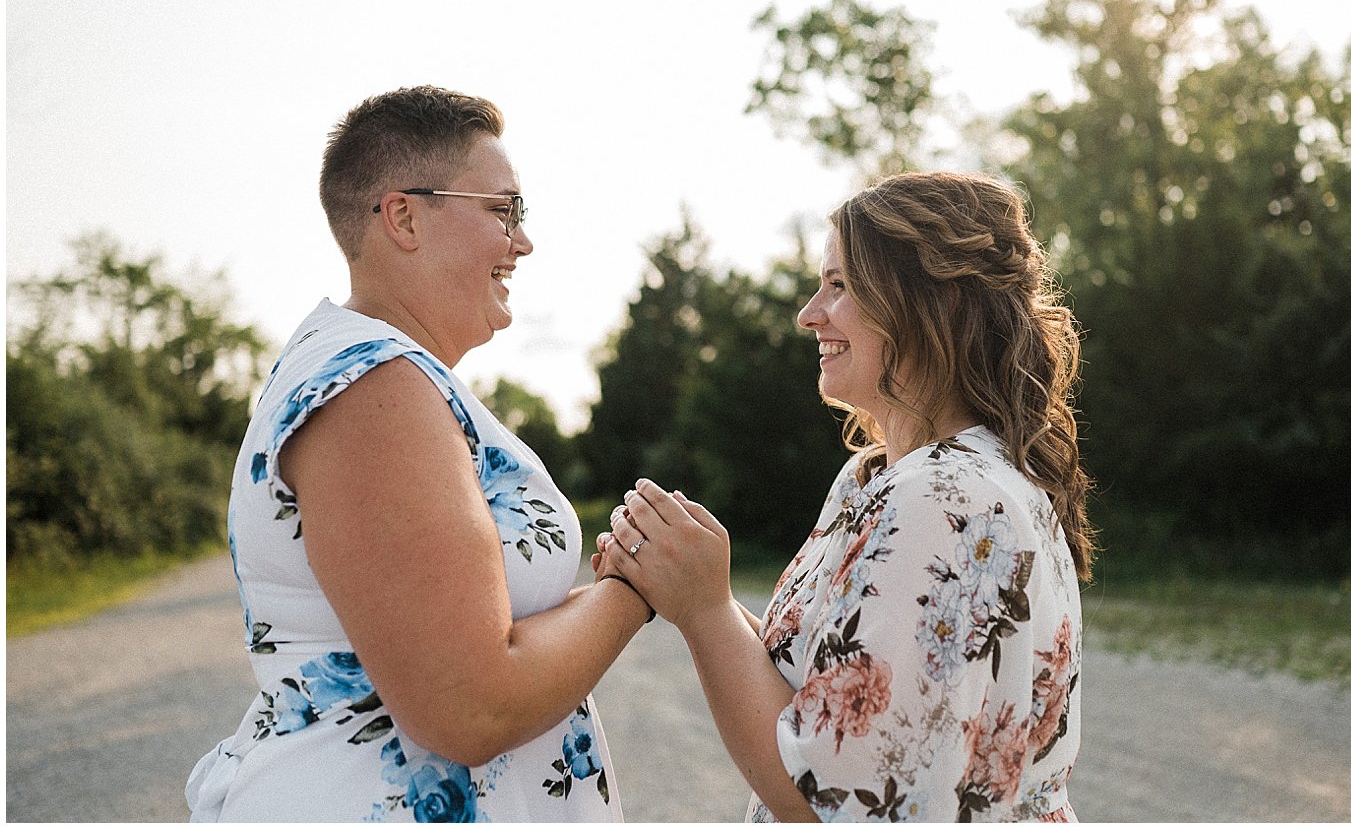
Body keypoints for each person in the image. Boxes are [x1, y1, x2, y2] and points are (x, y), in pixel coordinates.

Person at [186, 86, 652, 821]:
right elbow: (466, 706)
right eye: (504, 211)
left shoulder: (381, 373)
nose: (522, 241)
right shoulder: (372, 385)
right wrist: (636, 591)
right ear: (404, 216)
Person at [598, 170, 1095, 822]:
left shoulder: (943, 502)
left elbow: (830, 804)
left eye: (840, 285)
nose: (809, 314)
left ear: (935, 303)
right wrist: (682, 577)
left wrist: (704, 609)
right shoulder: (881, 476)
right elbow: (832, 680)